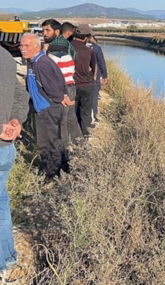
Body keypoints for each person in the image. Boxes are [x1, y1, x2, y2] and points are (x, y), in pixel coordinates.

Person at [20, 33, 67, 179]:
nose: (22, 48)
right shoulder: (35, 61)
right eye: (21, 45)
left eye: (26, 45)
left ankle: (51, 173)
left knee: (47, 143)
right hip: (43, 107)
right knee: (52, 140)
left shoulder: (42, 63)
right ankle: (62, 166)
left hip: (48, 108)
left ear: (36, 46)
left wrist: (59, 98)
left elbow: (55, 86)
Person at [0, 46, 28, 275]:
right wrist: (16, 120)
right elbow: (20, 94)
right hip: (6, 148)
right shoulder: (5, 57)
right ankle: (6, 259)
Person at [42, 19, 82, 146]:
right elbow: (74, 58)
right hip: (70, 85)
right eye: (43, 30)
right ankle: (79, 143)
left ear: (57, 31)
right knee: (70, 117)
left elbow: (49, 72)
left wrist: (43, 53)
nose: (44, 33)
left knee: (61, 120)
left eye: (47, 30)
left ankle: (63, 151)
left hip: (62, 87)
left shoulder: (54, 47)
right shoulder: (65, 44)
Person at [71, 24, 97, 136]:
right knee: (85, 113)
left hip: (71, 86)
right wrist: (92, 80)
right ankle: (85, 136)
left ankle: (73, 137)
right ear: (86, 37)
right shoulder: (89, 50)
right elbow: (94, 68)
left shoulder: (67, 48)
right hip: (87, 85)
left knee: (72, 113)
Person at [87, 35, 107, 123]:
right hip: (95, 75)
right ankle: (94, 115)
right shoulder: (96, 48)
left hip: (81, 76)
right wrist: (105, 75)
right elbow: (101, 62)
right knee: (94, 95)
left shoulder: (76, 46)